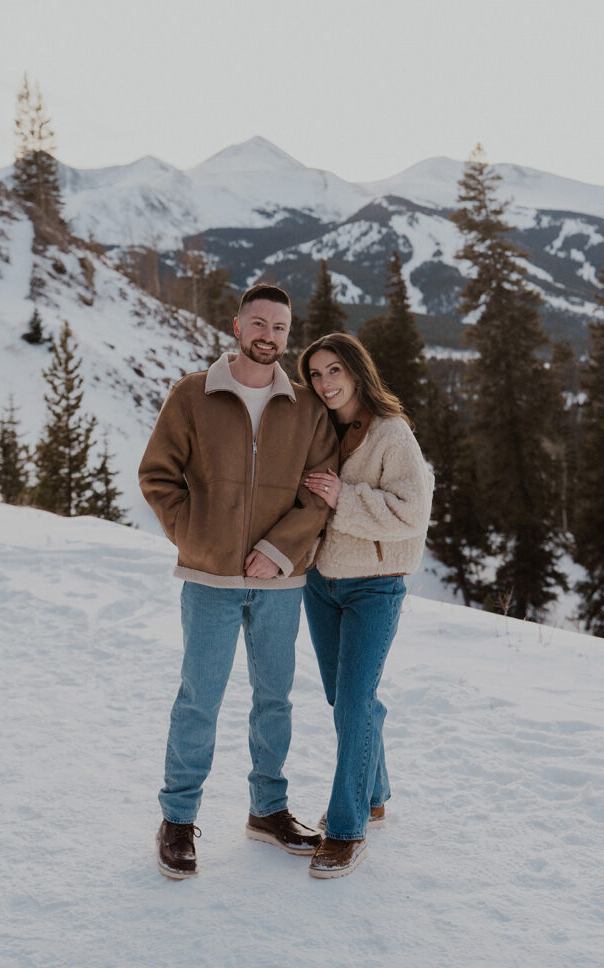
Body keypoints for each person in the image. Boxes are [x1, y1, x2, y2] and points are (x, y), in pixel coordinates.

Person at [139, 284, 338, 879]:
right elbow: (158, 476)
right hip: (209, 578)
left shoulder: (306, 407)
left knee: (274, 698)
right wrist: (198, 539)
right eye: (259, 324)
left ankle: (268, 810)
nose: (269, 336)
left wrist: (279, 551)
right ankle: (177, 818)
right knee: (199, 697)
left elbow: (320, 489)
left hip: (280, 583)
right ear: (235, 325)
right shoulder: (193, 395)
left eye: (280, 327)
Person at [297, 332, 434, 879]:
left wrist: (342, 499)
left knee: (354, 705)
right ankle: (373, 792)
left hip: (374, 586)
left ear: (356, 371)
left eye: (335, 371)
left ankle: (349, 828)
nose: (325, 383)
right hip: (320, 583)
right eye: (315, 375)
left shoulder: (392, 434)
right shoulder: (319, 427)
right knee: (347, 700)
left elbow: (411, 514)